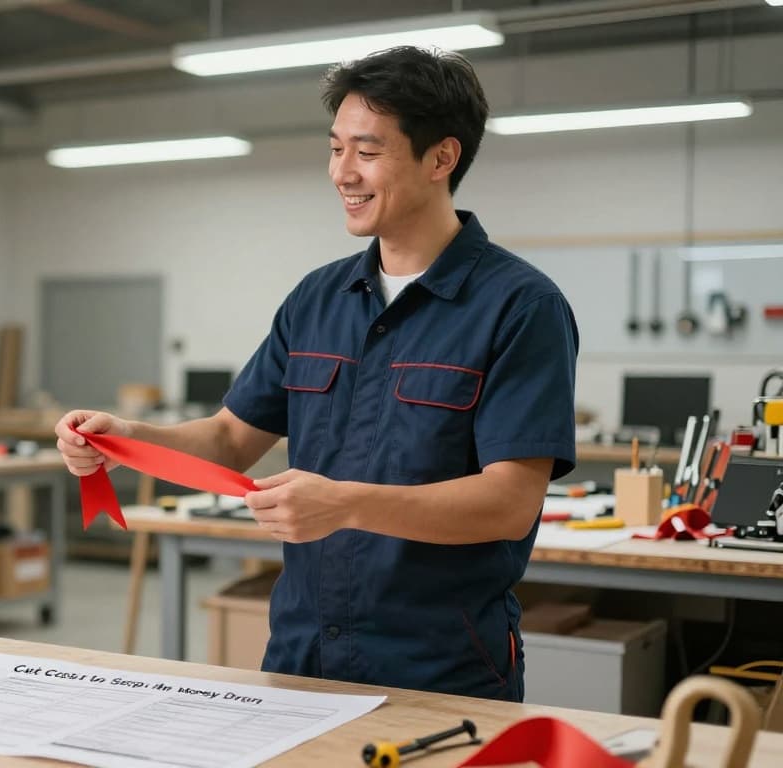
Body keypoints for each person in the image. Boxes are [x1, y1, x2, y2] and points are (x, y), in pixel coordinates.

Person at [54, 46, 577, 702]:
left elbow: (509, 503)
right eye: (335, 148)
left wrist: (346, 503)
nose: (341, 173)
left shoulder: (521, 306)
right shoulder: (317, 300)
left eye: (367, 150)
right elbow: (226, 440)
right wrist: (123, 436)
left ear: (441, 158)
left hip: (439, 665)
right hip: (301, 652)